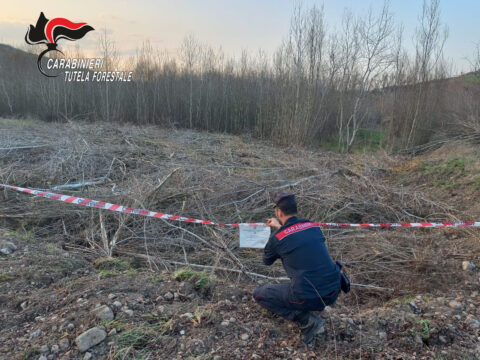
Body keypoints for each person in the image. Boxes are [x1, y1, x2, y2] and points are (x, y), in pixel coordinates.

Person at [252, 191, 342, 345]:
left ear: (278, 212)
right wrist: (280, 227)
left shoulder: (277, 238)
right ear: (295, 209)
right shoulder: (312, 226)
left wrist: (277, 231)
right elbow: (297, 237)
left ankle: (307, 320)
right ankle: (313, 308)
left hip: (308, 295)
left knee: (259, 294)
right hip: (333, 290)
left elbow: (267, 260)